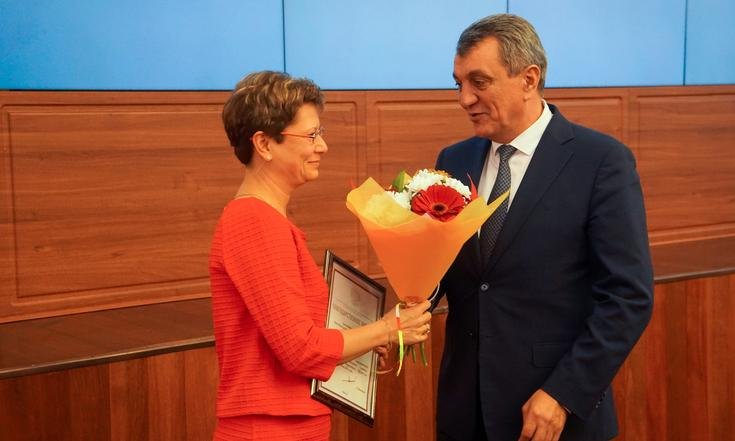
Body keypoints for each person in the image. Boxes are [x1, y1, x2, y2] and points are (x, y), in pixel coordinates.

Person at [432, 14, 654, 441]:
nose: (464, 98)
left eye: (479, 82)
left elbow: (628, 296)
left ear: (529, 79)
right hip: (465, 411)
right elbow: (441, 268)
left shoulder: (601, 162)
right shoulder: (453, 160)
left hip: (552, 413)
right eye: (458, 83)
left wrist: (564, 394)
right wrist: (408, 304)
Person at [209, 71, 432, 441]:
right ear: (264, 144)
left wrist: (368, 342)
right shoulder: (253, 222)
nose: (323, 146)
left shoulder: (267, 220)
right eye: (311, 135)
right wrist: (390, 327)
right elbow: (301, 350)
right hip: (268, 430)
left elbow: (298, 339)